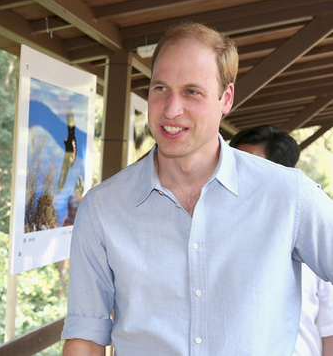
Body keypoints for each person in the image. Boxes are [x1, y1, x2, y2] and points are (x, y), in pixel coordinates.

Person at [61, 22, 333, 356]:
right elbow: (85, 337)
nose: (171, 109)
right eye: (161, 88)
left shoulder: (289, 195)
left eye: (192, 91)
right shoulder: (103, 208)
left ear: (226, 98)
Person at [230, 125, 333, 356]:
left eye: (252, 167)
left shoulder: (316, 237)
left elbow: (330, 331)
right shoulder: (212, 236)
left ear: (282, 174)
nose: (238, 175)